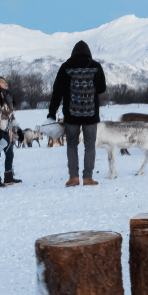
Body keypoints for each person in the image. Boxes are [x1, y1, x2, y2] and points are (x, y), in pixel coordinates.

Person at [48, 41, 107, 187]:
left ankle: (73, 177)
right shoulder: (96, 66)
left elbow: (57, 92)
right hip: (91, 115)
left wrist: (52, 112)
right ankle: (88, 178)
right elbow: (102, 89)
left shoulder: (66, 66)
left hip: (71, 115)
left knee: (72, 145)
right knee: (90, 146)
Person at [0, 76, 23, 188]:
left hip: (6, 131)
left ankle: (8, 177)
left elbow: (10, 117)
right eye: (2, 82)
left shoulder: (7, 98)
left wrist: (18, 129)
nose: (5, 83)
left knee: (10, 153)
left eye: (5, 81)